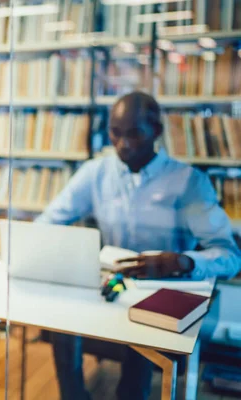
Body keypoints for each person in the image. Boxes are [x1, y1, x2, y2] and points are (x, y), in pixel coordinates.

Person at [36, 91, 241, 400]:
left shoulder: (188, 182)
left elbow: (230, 257)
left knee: (142, 326)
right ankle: (73, 395)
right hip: (114, 281)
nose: (123, 144)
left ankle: (132, 393)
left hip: (166, 288)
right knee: (62, 311)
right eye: (115, 134)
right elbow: (49, 221)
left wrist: (183, 261)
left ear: (156, 132)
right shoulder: (96, 173)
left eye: (134, 134)